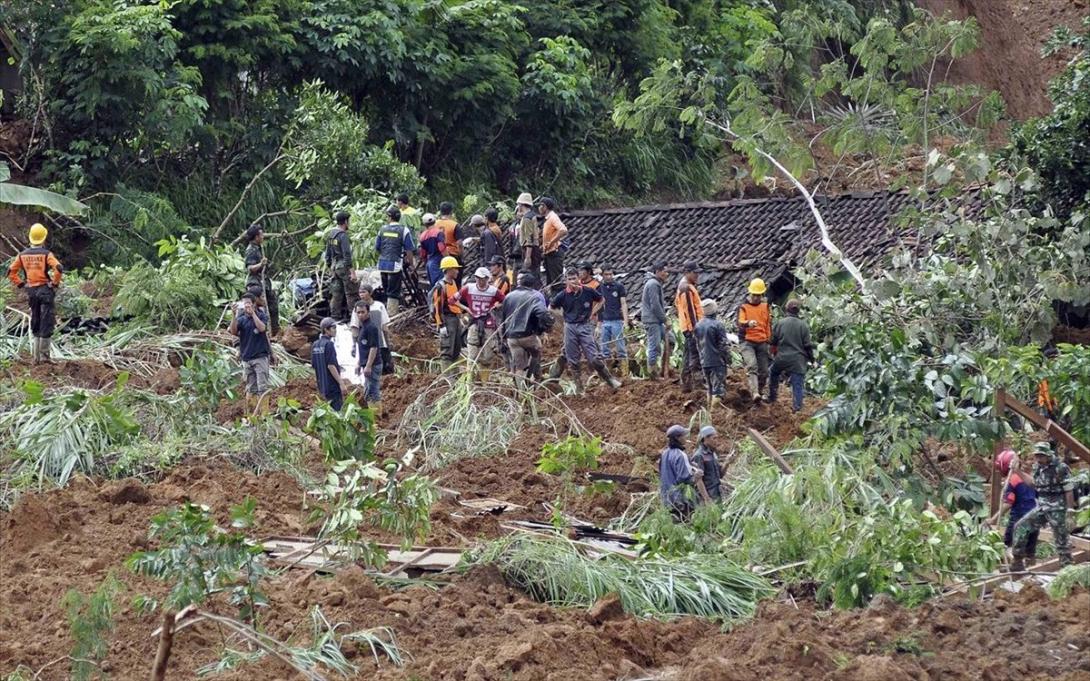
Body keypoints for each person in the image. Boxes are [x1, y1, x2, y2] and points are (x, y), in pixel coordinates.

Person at [550, 269, 621, 393]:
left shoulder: (588, 291)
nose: (572, 281)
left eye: (574, 278)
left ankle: (610, 379)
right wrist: (563, 319)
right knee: (573, 360)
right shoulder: (563, 295)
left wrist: (592, 312)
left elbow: (601, 300)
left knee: (594, 358)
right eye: (569, 279)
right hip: (570, 327)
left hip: (584, 326)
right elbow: (551, 308)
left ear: (579, 279)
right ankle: (579, 388)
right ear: (566, 281)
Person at [1012, 442, 1074, 570]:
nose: (1038, 459)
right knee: (1021, 527)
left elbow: (1068, 490)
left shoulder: (1060, 468)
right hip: (1042, 506)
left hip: (1057, 507)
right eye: (1037, 456)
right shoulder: (1037, 467)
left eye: (1041, 456)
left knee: (1061, 539)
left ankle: (1067, 569)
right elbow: (1033, 483)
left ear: (1048, 455)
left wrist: (1069, 512)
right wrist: (1018, 471)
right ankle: (1017, 562)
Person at [7, 223, 63, 364]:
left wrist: (21, 284)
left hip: (31, 291)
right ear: (43, 238)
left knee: (36, 320)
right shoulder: (46, 254)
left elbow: (11, 272)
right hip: (45, 290)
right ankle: (45, 357)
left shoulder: (22, 255)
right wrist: (54, 283)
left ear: (30, 238)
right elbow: (58, 268)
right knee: (47, 321)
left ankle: (36, 358)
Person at [502, 271, 553, 388]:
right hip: (527, 335)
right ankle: (533, 377)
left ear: (520, 283)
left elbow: (503, 318)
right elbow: (542, 314)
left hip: (511, 337)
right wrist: (548, 325)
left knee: (519, 367)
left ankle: (521, 392)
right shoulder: (534, 297)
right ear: (532, 285)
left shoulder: (509, 296)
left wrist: (503, 336)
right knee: (537, 351)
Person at [989, 449, 1039, 564]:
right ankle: (1031, 571)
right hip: (1035, 518)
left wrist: (993, 519)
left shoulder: (1012, 480)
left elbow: (1008, 503)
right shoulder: (1029, 479)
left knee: (1010, 547)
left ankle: (1015, 568)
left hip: (1018, 519)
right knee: (1030, 552)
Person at [459, 267, 506, 380]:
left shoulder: (493, 291)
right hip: (474, 323)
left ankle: (483, 378)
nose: (480, 281)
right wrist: (466, 309)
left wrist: (496, 306)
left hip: (488, 324)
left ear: (487, 279)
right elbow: (452, 299)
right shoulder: (468, 288)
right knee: (472, 354)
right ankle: (469, 381)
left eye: (482, 278)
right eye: (478, 278)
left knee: (488, 355)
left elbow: (505, 300)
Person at [229, 292, 270, 414]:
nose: (246, 306)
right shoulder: (241, 319)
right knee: (250, 388)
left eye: (248, 303)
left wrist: (253, 314)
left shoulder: (261, 315)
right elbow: (233, 331)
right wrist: (233, 315)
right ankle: (251, 414)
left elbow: (262, 328)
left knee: (262, 387)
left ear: (254, 304)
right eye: (244, 303)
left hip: (260, 357)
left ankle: (264, 415)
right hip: (247, 358)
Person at [769, 299, 813, 412]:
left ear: (786, 309)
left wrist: (773, 354)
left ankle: (772, 397)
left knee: (773, 373)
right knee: (797, 384)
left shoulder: (780, 323)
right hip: (798, 360)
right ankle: (797, 408)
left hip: (782, 358)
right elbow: (808, 346)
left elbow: (773, 342)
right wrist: (812, 360)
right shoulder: (803, 325)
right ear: (798, 310)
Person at [374, 205, 416, 317]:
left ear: (389, 217)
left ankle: (385, 314)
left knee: (386, 289)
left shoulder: (382, 229)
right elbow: (409, 250)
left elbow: (377, 247)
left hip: (382, 264)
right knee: (393, 292)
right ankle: (391, 316)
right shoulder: (404, 230)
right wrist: (411, 265)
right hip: (395, 265)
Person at [737, 278, 772, 403]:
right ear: (750, 293)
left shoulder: (765, 307)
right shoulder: (744, 307)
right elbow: (740, 322)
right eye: (754, 295)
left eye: (759, 295)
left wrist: (769, 340)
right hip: (747, 341)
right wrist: (748, 323)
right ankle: (755, 392)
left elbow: (768, 324)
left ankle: (759, 392)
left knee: (764, 371)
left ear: (762, 295)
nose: (756, 297)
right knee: (752, 366)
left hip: (762, 341)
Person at [693, 299, 732, 405]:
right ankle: (715, 412)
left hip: (704, 361)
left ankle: (708, 411)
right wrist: (728, 359)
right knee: (718, 390)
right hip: (717, 361)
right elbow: (723, 346)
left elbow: (697, 345)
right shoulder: (718, 325)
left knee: (709, 389)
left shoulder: (698, 325)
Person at [243, 224, 279, 336]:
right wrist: (261, 264)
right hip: (256, 283)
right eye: (261, 235)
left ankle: (274, 332)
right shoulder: (251, 250)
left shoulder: (259, 248)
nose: (263, 237)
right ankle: (262, 331)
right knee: (261, 307)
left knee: (273, 305)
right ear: (256, 237)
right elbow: (250, 268)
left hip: (264, 282)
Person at [431, 256, 466, 368]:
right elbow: (437, 307)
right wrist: (441, 325)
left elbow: (455, 302)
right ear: (448, 269)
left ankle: (454, 374)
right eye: (455, 269)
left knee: (456, 349)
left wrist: (460, 317)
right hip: (447, 320)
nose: (457, 271)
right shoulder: (441, 286)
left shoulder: (453, 283)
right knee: (447, 351)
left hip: (455, 319)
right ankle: (447, 376)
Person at [675, 261, 704, 392]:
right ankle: (698, 383)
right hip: (691, 327)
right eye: (694, 272)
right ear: (687, 272)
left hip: (688, 327)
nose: (697, 275)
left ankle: (686, 383)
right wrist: (695, 329)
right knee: (695, 355)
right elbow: (690, 311)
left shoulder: (686, 286)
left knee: (688, 356)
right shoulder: (686, 288)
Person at [324, 211, 358, 321]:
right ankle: (354, 318)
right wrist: (352, 272)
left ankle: (335, 318)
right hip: (343, 267)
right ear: (346, 222)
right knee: (351, 293)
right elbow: (347, 255)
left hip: (335, 267)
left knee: (336, 294)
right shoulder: (343, 236)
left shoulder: (331, 234)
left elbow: (327, 254)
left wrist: (330, 266)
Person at [597, 265, 630, 377]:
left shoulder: (619, 286)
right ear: (602, 275)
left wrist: (626, 321)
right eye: (606, 274)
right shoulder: (600, 288)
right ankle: (607, 374)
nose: (609, 276)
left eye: (611, 274)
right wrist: (598, 324)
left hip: (617, 320)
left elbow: (623, 304)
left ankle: (625, 373)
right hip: (604, 321)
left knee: (621, 348)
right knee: (604, 349)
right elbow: (598, 306)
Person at [312, 317, 350, 411]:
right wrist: (341, 383)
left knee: (328, 413)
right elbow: (331, 366)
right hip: (332, 386)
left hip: (322, 386)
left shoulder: (315, 345)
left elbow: (314, 365)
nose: (335, 330)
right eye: (333, 328)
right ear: (326, 329)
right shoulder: (329, 344)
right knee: (337, 413)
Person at [350, 287, 391, 373]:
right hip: (366, 345)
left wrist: (388, 343)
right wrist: (354, 345)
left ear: (370, 293)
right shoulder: (357, 308)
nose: (361, 295)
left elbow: (384, 327)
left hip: (381, 343)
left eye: (364, 292)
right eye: (360, 292)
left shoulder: (379, 306)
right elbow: (355, 327)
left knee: (385, 370)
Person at [354, 302, 384, 416]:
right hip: (367, 364)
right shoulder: (363, 327)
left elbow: (373, 347)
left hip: (373, 365)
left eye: (363, 312)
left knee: (372, 391)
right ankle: (372, 415)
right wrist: (359, 363)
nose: (360, 315)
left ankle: (377, 416)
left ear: (368, 312)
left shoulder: (371, 327)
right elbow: (363, 349)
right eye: (358, 312)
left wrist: (368, 366)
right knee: (368, 390)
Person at [659, 424, 695, 520]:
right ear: (677, 438)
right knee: (686, 523)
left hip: (667, 499)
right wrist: (696, 475)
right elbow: (685, 478)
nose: (685, 437)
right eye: (683, 435)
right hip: (680, 500)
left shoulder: (664, 454)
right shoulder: (680, 455)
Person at [641, 262, 668, 378]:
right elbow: (655, 305)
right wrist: (665, 319)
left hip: (656, 320)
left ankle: (665, 368)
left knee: (670, 339)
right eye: (664, 271)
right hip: (652, 320)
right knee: (654, 345)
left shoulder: (655, 283)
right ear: (657, 272)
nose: (667, 274)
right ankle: (652, 372)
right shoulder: (653, 284)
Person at [691, 426, 727, 504]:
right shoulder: (699, 455)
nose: (716, 441)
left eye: (717, 438)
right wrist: (706, 498)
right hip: (707, 496)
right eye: (714, 438)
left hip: (716, 493)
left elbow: (720, 475)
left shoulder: (712, 454)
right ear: (705, 439)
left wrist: (727, 463)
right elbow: (698, 480)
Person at [539, 197, 568, 293]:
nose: (539, 208)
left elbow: (563, 230)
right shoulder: (547, 219)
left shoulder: (552, 217)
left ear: (545, 207)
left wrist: (551, 242)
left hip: (554, 253)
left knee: (557, 283)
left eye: (540, 206)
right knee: (551, 282)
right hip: (549, 253)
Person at [436, 202, 463, 286]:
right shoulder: (454, 225)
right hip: (452, 255)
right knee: (456, 281)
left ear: (440, 212)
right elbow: (460, 243)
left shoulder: (435, 224)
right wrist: (461, 255)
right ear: (451, 212)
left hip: (439, 254)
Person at [514, 192, 540, 278]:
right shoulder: (532, 215)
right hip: (534, 248)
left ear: (521, 205)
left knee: (530, 274)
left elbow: (529, 238)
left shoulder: (527, 218)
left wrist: (528, 257)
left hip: (529, 250)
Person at [418, 212, 446, 287]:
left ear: (425, 224)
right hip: (439, 261)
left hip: (430, 263)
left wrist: (426, 262)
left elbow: (423, 254)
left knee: (434, 286)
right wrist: (448, 259)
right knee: (441, 285)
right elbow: (442, 248)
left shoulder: (422, 236)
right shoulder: (438, 233)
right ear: (434, 221)